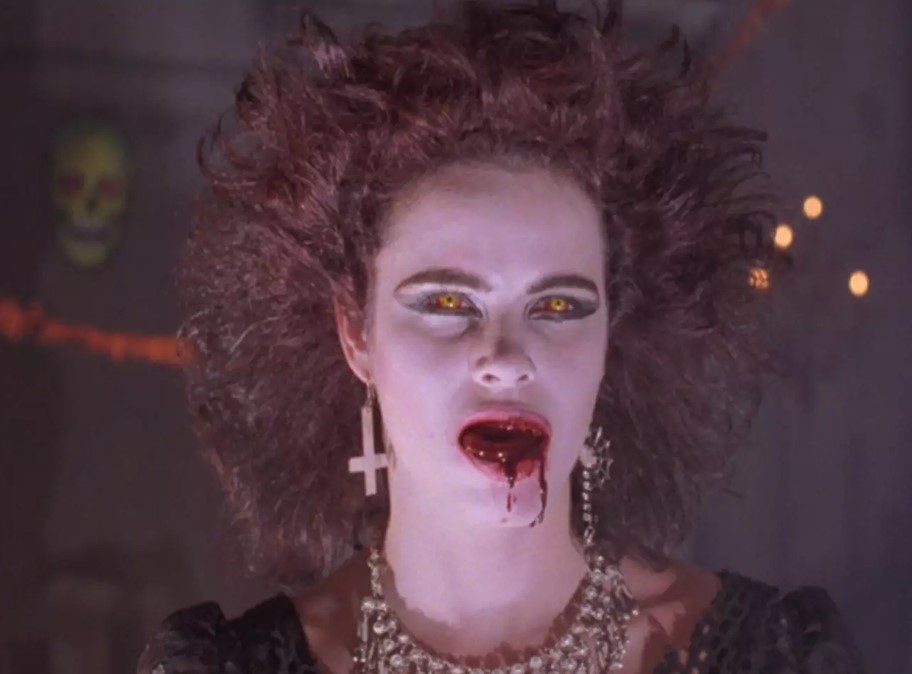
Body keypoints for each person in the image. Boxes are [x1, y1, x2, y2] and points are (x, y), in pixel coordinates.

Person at [138, 2, 865, 672]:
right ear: (356, 333)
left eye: (558, 306)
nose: (505, 359)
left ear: (611, 339)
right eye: (448, 302)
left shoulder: (768, 656)